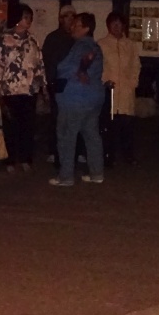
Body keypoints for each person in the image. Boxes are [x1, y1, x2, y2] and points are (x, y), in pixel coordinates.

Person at [49, 12, 105, 186]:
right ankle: (96, 173)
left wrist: (59, 68)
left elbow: (69, 68)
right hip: (93, 97)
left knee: (67, 135)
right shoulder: (96, 47)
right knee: (92, 135)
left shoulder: (80, 46)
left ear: (86, 28)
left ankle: (66, 176)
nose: (72, 27)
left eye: (76, 25)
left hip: (75, 97)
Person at [0, 2, 46, 172]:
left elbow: (39, 64)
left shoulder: (33, 40)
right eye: (25, 17)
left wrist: (43, 85)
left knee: (27, 125)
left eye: (30, 18)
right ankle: (10, 159)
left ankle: (25, 158)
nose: (28, 20)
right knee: (10, 126)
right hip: (10, 89)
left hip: (29, 89)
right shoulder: (5, 39)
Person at [98, 10, 142, 166]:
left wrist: (133, 83)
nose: (116, 27)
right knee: (109, 125)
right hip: (109, 90)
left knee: (127, 125)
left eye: (119, 24)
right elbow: (98, 66)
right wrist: (103, 81)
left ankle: (128, 155)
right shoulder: (101, 44)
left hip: (126, 90)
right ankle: (108, 155)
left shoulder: (130, 45)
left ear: (124, 26)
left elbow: (136, 65)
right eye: (113, 24)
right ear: (108, 26)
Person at [41, 4, 76, 164]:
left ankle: (73, 150)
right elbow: (47, 62)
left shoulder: (77, 37)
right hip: (57, 82)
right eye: (67, 16)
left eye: (72, 16)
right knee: (56, 117)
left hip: (74, 84)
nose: (70, 19)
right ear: (61, 19)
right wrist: (47, 84)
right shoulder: (53, 38)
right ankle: (53, 150)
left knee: (74, 118)